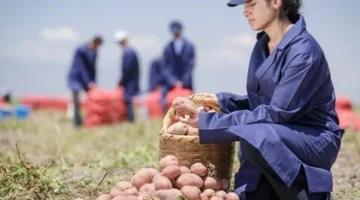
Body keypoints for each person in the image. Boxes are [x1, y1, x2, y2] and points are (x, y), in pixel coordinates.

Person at [172, 0, 343, 199]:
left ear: (277, 2)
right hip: (278, 133)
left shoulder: (303, 52)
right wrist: (224, 102)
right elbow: (261, 102)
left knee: (255, 131)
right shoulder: (262, 45)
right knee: (253, 130)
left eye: (252, 3)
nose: (246, 12)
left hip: (313, 138)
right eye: (244, 6)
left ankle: (309, 193)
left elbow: (276, 113)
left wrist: (207, 121)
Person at [67, 36, 103, 127]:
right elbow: (82, 68)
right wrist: (88, 82)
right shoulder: (81, 50)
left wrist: (93, 81)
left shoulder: (95, 52)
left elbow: (93, 68)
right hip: (77, 77)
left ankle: (92, 120)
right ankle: (77, 123)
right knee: (76, 101)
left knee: (92, 98)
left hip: (88, 80)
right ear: (93, 42)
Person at [161, 20, 196, 111]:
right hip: (170, 84)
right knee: (166, 104)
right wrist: (173, 81)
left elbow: (190, 66)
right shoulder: (167, 47)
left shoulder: (190, 46)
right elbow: (165, 67)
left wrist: (183, 81)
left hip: (186, 83)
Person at [114, 30, 140, 123]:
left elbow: (126, 69)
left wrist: (121, 81)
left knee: (128, 100)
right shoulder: (132, 51)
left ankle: (130, 120)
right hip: (132, 80)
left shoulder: (128, 52)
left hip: (129, 81)